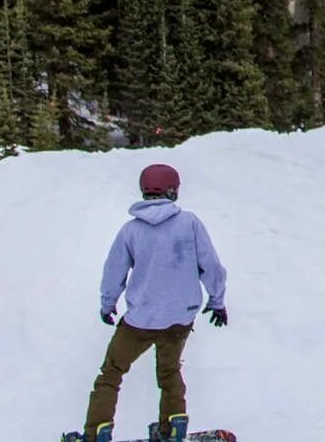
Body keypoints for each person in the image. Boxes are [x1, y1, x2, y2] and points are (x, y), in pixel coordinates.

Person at [74, 163, 227, 442]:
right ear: (173, 191)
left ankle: (96, 432)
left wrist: (108, 305)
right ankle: (172, 428)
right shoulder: (190, 223)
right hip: (181, 316)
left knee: (111, 373)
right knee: (170, 372)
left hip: (141, 320)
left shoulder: (131, 231)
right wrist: (217, 301)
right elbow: (211, 266)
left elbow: (114, 272)